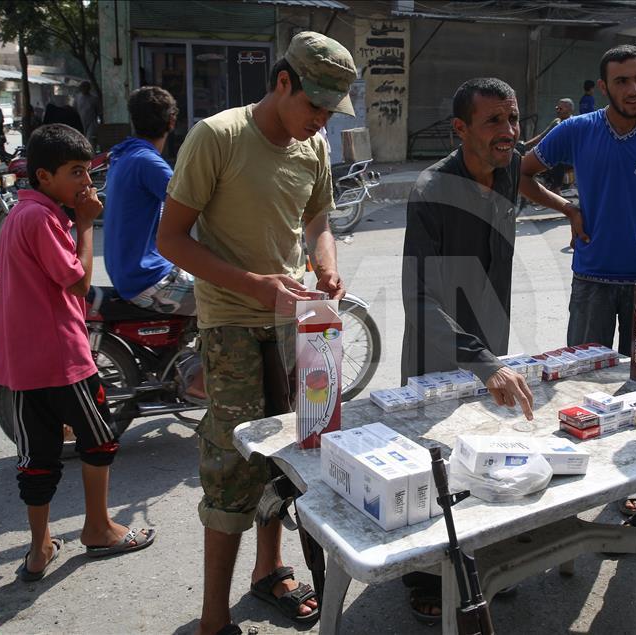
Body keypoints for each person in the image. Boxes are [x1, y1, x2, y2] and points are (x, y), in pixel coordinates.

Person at [157, 31, 356, 634]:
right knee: (233, 462)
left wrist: (325, 262)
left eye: (329, 111)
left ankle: (268, 571)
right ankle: (213, 619)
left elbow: (317, 214)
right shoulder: (217, 137)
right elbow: (171, 239)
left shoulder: (312, 144)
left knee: (291, 450)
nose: (319, 120)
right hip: (233, 326)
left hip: (296, 320)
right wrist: (257, 286)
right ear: (282, 82)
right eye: (313, 105)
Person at [0, 123, 157, 583]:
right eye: (76, 173)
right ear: (44, 177)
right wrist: (85, 224)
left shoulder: (19, 216)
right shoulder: (44, 219)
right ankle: (99, 528)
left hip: (22, 365)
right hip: (62, 359)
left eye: (87, 172)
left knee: (37, 456)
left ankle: (39, 548)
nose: (86, 183)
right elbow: (79, 282)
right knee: (98, 440)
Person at [401, 76, 534, 624]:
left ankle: (474, 562)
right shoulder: (431, 191)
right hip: (440, 353)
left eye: (512, 119)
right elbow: (420, 297)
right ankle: (420, 574)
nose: (507, 131)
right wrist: (481, 362)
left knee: (482, 460)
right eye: (493, 122)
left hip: (492, 343)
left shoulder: (510, 171)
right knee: (430, 468)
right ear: (459, 130)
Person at [521, 45, 636, 356]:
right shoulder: (576, 130)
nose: (633, 90)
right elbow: (521, 174)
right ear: (603, 87)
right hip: (591, 279)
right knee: (579, 382)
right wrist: (567, 208)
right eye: (621, 81)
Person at [102, 86, 205, 399]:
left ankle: (176, 355)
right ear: (172, 121)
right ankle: (201, 380)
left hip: (127, 268)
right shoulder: (150, 164)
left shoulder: (123, 155)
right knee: (228, 298)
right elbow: (193, 205)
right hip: (146, 276)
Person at [524, 97, 574, 192]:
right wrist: (525, 144)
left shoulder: (573, 124)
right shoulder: (556, 122)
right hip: (554, 155)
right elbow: (542, 136)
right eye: (557, 108)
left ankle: (556, 190)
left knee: (557, 162)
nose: (558, 111)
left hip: (567, 159)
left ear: (569, 109)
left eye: (561, 109)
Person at [75, 81, 101, 146]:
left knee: (90, 141)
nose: (84, 89)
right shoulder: (78, 98)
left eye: (85, 87)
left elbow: (99, 112)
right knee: (80, 140)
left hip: (91, 123)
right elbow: (74, 109)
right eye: (82, 87)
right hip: (80, 122)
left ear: (89, 88)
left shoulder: (94, 99)